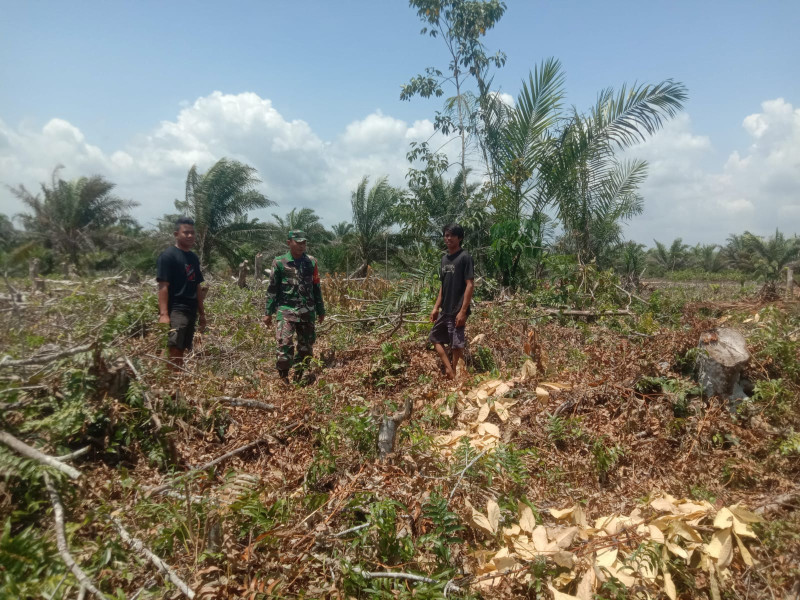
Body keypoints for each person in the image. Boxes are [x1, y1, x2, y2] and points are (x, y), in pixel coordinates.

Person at [262, 230, 325, 384]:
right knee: (284, 343)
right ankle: (283, 376)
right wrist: (268, 312)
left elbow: (316, 287)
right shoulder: (279, 262)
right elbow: (272, 289)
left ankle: (299, 376)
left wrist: (321, 310)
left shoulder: (311, 262)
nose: (301, 246)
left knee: (306, 348)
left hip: (307, 311)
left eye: (304, 243)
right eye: (298, 242)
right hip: (286, 310)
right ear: (289, 242)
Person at [156, 217, 206, 370]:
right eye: (186, 233)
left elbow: (197, 285)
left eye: (192, 233)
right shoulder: (168, 256)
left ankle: (175, 379)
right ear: (176, 234)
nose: (190, 236)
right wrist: (164, 314)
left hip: (190, 309)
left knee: (182, 347)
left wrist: (202, 313)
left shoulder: (193, 258)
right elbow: (163, 286)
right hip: (176, 309)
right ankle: (169, 381)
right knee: (174, 346)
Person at [429, 223, 474, 380]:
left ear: (459, 238)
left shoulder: (465, 257)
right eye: (446, 235)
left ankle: (457, 377)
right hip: (445, 309)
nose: (447, 238)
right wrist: (436, 308)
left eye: (451, 235)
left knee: (456, 346)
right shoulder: (444, 260)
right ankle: (450, 370)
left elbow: (470, 285)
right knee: (434, 338)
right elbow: (443, 286)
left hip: (458, 310)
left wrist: (463, 311)